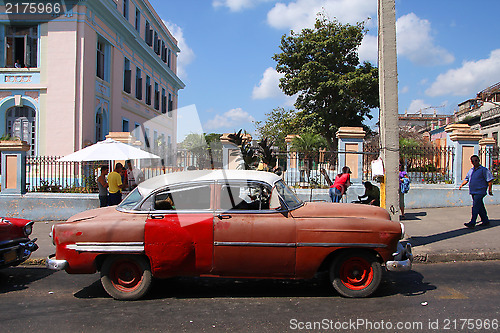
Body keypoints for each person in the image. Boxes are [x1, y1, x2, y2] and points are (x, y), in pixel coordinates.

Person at [459, 155, 494, 228]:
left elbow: (490, 180)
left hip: (480, 191)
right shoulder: (471, 170)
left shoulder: (484, 170)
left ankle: (472, 222)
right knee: (480, 206)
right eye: (473, 161)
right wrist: (462, 185)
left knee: (475, 206)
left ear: (479, 160)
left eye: (476, 160)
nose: (474, 162)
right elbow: (467, 179)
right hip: (473, 191)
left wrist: (490, 190)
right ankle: (485, 220)